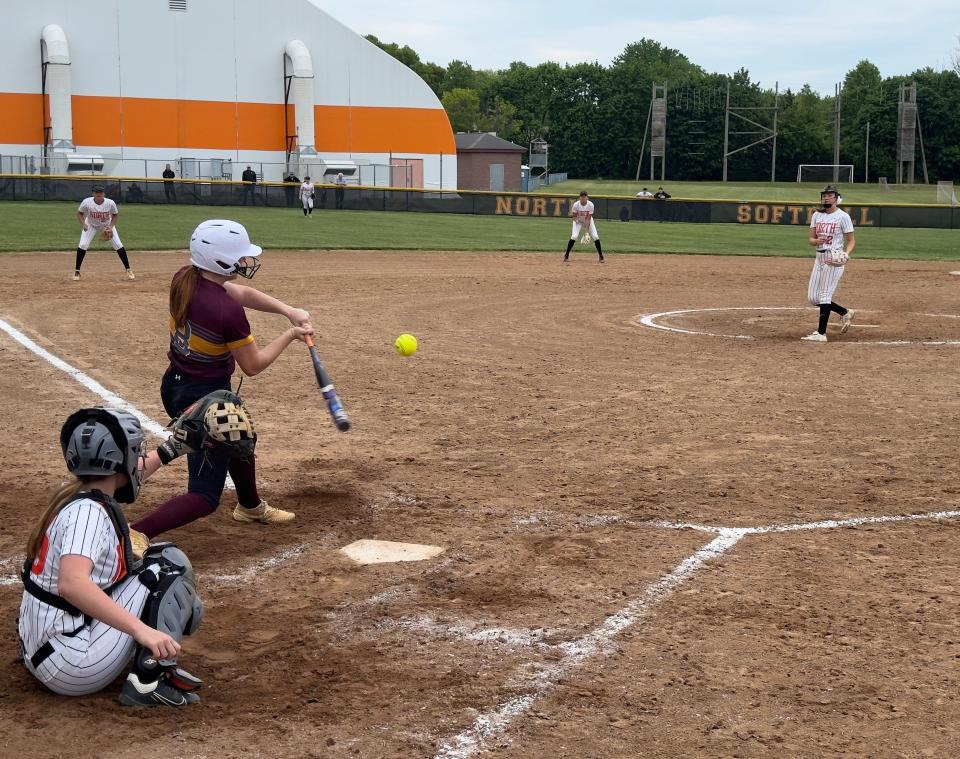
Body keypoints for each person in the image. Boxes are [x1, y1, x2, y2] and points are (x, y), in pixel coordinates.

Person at [130, 219, 314, 542]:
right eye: (240, 256)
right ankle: (136, 533)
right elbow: (252, 365)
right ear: (220, 260)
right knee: (204, 495)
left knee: (239, 437)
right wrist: (290, 335)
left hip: (177, 382)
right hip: (203, 397)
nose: (245, 262)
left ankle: (250, 505)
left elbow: (238, 291)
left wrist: (288, 310)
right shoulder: (225, 311)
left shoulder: (185, 278)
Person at [18, 407, 206, 706]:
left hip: (47, 648)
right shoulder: (88, 514)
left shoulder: (75, 495)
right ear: (120, 460)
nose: (138, 459)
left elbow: (125, 472)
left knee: (151, 559)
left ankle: (143, 666)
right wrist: (143, 631)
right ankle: (149, 681)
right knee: (168, 567)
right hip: (71, 664)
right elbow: (72, 583)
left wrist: (173, 449)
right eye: (135, 452)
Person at [802, 184, 856, 342]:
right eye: (824, 195)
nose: (825, 197)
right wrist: (816, 240)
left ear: (836, 198)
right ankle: (845, 312)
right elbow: (811, 240)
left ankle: (821, 334)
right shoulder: (817, 215)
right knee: (813, 298)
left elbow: (851, 241)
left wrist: (846, 254)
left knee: (825, 295)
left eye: (829, 195)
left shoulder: (843, 216)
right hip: (819, 258)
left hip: (833, 259)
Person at [74, 185, 135, 281]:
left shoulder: (110, 203)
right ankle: (77, 271)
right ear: (93, 194)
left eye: (100, 194)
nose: (99, 195)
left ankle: (128, 270)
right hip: (91, 224)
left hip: (106, 225)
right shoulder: (86, 202)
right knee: (83, 244)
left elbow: (115, 215)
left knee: (118, 245)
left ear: (103, 194)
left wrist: (111, 227)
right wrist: (83, 224)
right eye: (97, 194)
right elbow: (79, 213)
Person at [563, 191, 604, 264]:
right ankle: (566, 255)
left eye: (584, 197)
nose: (583, 199)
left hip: (588, 220)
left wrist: (586, 232)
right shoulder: (576, 205)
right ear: (580, 198)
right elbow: (574, 217)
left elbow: (588, 219)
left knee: (595, 236)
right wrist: (578, 221)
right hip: (578, 221)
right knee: (574, 236)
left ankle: (601, 256)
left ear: (587, 198)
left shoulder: (590, 205)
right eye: (582, 197)